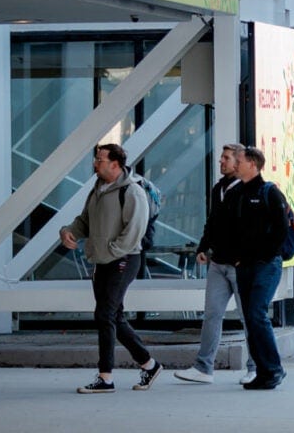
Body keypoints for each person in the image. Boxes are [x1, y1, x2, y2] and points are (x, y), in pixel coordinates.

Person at [64, 144, 163, 393]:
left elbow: (134, 233)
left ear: (115, 165)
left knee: (105, 315)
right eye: (96, 159)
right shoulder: (97, 189)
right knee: (114, 316)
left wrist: (111, 251)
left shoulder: (132, 192)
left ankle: (105, 377)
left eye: (100, 160)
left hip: (125, 259)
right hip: (102, 260)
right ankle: (149, 365)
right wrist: (68, 232)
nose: (95, 164)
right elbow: (85, 221)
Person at [178, 144, 257, 385]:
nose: (221, 162)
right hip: (218, 263)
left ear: (239, 162)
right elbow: (212, 222)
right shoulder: (218, 189)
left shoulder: (249, 191)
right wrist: (203, 248)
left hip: (241, 266)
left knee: (250, 317)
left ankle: (256, 366)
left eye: (226, 158)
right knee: (212, 314)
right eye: (221, 158)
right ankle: (204, 367)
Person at [226, 147, 294, 389]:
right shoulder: (236, 193)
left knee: (257, 313)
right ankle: (264, 372)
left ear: (253, 164)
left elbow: (281, 229)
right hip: (243, 265)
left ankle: (274, 369)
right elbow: (228, 228)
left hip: (266, 265)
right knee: (250, 317)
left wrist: (266, 255)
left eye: (240, 160)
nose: (235, 164)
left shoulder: (270, 192)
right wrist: (234, 257)